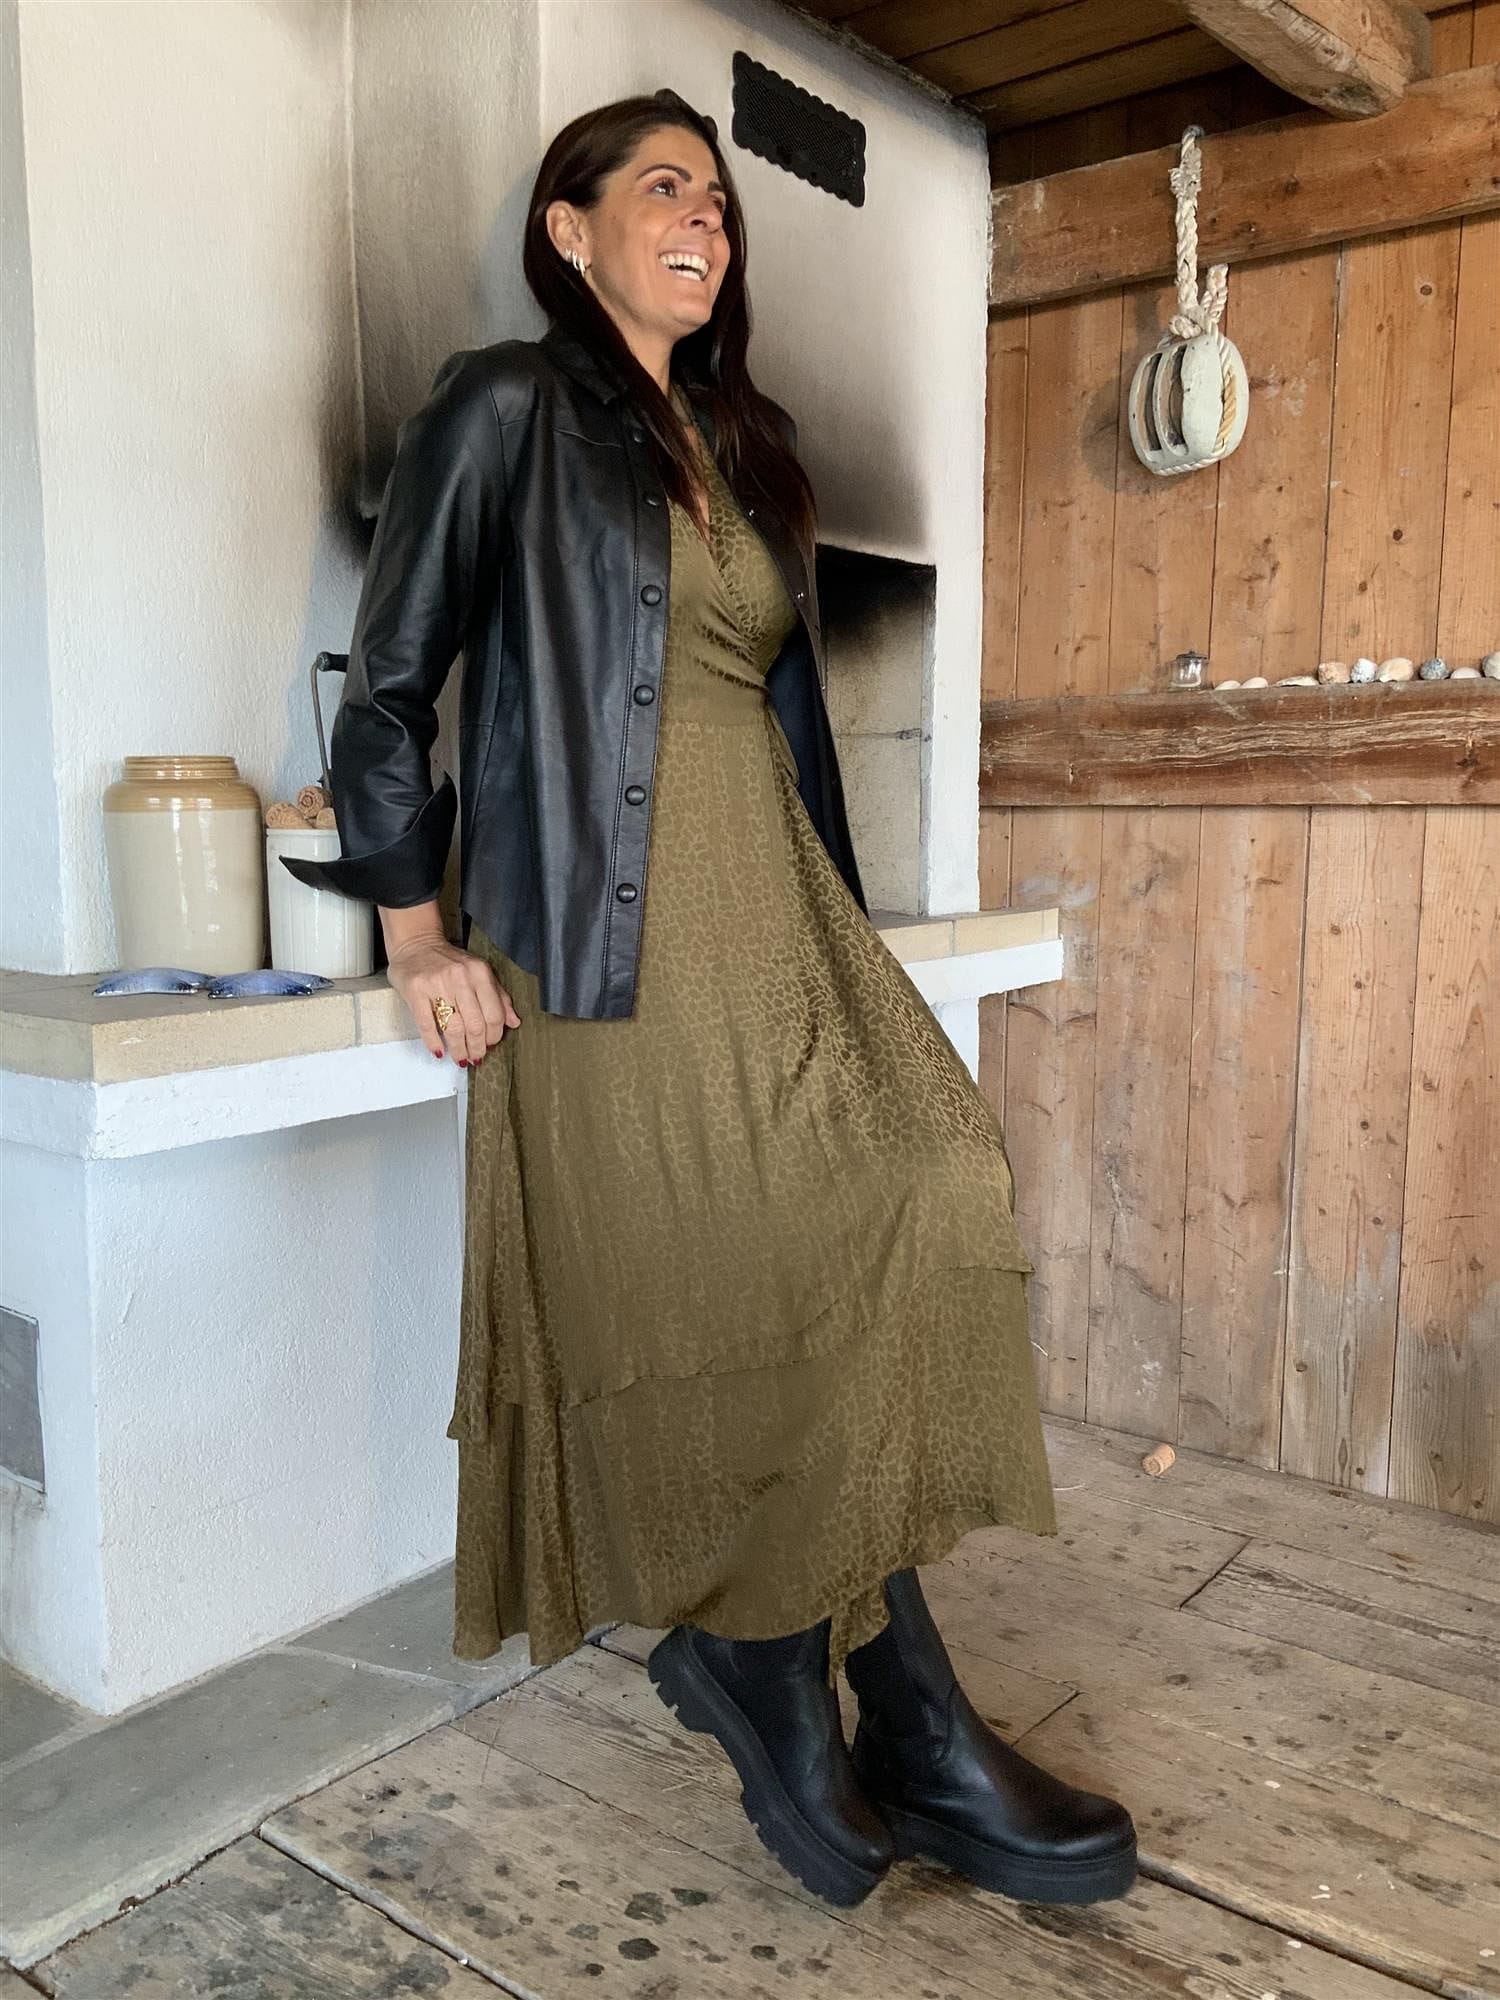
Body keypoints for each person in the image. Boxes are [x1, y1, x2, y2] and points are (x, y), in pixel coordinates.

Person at [284, 87, 1136, 1912]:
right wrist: (419, 938)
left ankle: (823, 1680)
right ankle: (873, 1704)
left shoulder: (745, 446)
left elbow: (777, 720)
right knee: (782, 1273)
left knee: (926, 1192)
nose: (704, 219)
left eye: (720, 202)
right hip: (606, 931)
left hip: (781, 905)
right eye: (662, 187)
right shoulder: (507, 406)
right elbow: (388, 691)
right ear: (569, 228)